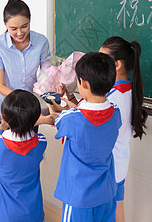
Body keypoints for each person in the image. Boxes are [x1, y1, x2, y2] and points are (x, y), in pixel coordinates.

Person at [45, 52, 122, 222]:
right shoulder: (115, 112)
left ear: (84, 83)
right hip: (106, 193)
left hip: (79, 196)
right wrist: (70, 103)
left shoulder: (72, 119)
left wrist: (53, 102)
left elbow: (57, 117)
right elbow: (88, 112)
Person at [0, 0, 51, 192]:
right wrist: (24, 104)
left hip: (31, 114)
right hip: (3, 112)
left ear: (30, 21)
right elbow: (1, 86)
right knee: (2, 164)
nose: (20, 33)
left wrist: (53, 89)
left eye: (24, 26)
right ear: (5, 25)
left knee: (28, 165)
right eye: (13, 29)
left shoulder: (41, 42)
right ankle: (1, 208)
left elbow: (47, 76)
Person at [100, 36, 147, 222]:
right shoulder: (128, 90)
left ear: (117, 64)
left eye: (103, 58)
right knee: (118, 208)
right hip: (120, 161)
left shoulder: (113, 98)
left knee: (105, 213)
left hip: (108, 164)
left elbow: (95, 127)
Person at [0, 89, 47, 222]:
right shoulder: (40, 143)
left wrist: (3, 125)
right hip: (32, 212)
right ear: (36, 118)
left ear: (3, 117)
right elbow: (35, 134)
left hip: (5, 213)